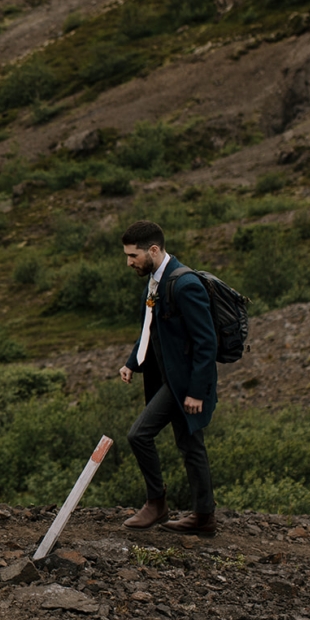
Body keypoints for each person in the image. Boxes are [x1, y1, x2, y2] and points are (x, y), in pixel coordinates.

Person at [118, 220, 219, 536]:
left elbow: (207, 342)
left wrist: (196, 392)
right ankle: (204, 518)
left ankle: (157, 504)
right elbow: (151, 328)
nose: (129, 262)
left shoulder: (184, 284)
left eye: (133, 256)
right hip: (166, 378)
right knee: (191, 447)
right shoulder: (154, 280)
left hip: (183, 385)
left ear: (153, 249)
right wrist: (133, 363)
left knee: (139, 435)